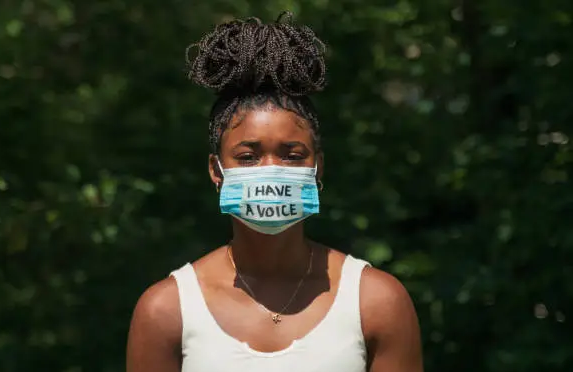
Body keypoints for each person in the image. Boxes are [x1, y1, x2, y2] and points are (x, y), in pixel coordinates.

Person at [126, 12, 423, 372]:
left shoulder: (375, 302)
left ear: (318, 169)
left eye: (292, 155)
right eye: (248, 157)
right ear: (215, 171)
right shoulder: (167, 311)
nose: (271, 169)